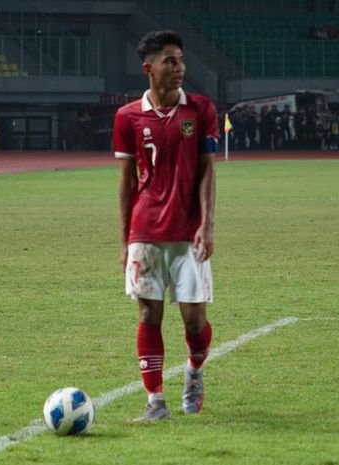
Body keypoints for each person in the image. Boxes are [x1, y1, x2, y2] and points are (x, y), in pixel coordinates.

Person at [113, 30, 218, 422]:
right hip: (146, 229)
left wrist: (207, 224)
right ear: (149, 68)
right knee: (148, 315)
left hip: (189, 231)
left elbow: (208, 171)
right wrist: (125, 239)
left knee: (194, 320)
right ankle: (155, 401)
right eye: (170, 61)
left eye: (181, 60)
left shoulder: (201, 109)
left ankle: (194, 370)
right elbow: (126, 180)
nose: (180, 68)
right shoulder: (127, 117)